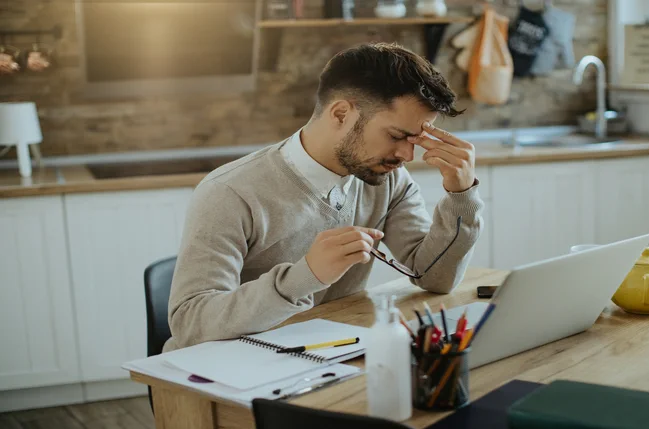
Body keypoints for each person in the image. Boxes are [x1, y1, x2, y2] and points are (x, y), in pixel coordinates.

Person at [163, 42, 484, 353]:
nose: (407, 154)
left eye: (416, 140)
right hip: (223, 374)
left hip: (328, 356)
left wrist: (461, 195)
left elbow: (434, 278)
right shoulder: (229, 192)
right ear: (341, 114)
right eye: (397, 136)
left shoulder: (388, 180)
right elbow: (190, 323)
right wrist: (304, 277)